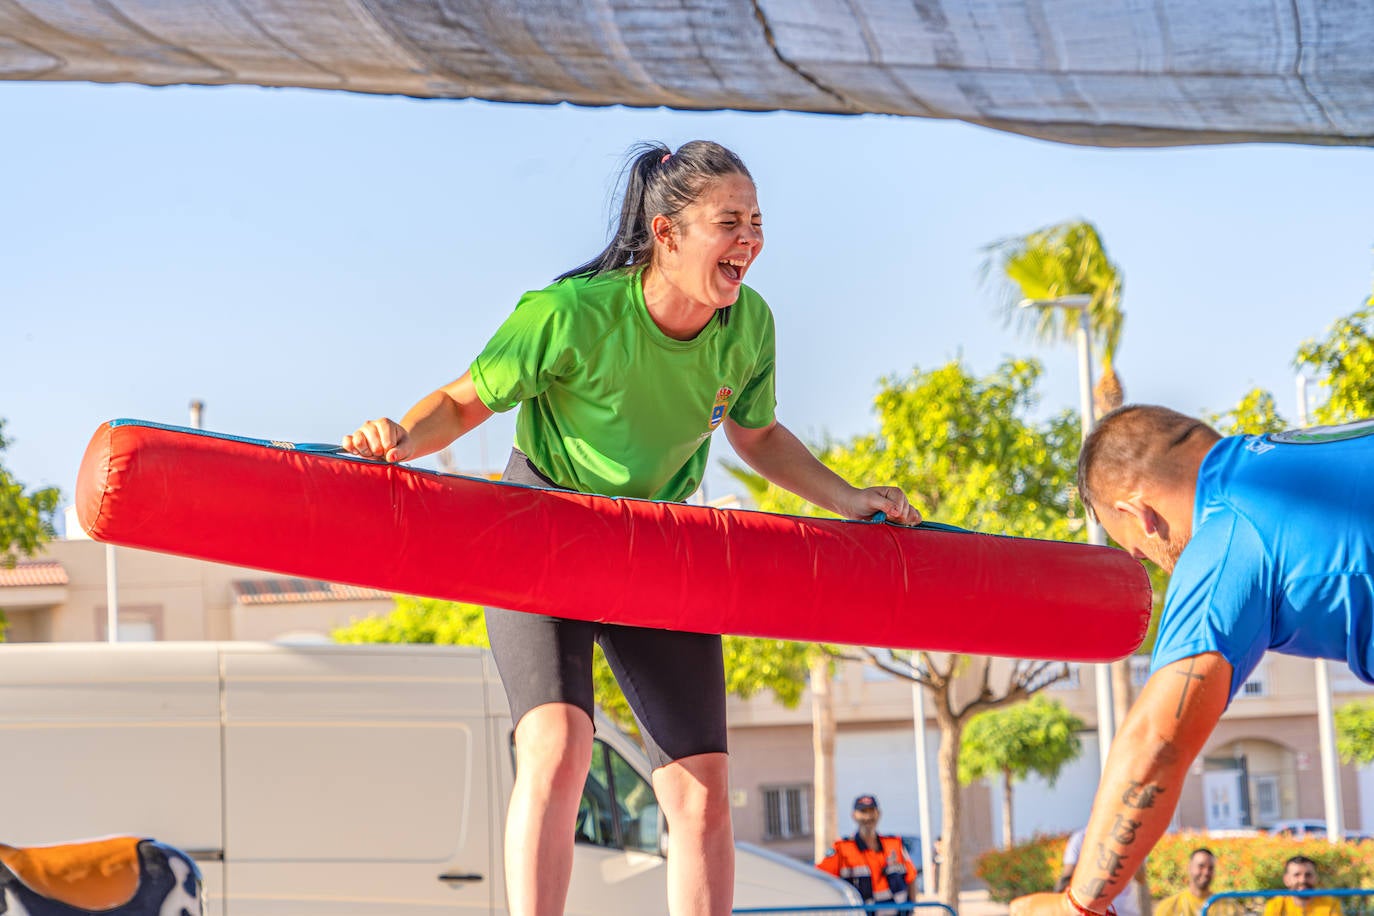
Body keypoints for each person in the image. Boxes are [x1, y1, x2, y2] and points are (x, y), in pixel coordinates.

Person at [342, 140, 920, 916]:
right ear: (668, 233)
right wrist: (400, 440)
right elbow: (463, 401)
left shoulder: (747, 325)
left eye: (757, 221)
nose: (749, 239)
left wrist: (846, 497)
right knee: (558, 746)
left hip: (657, 545)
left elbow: (757, 436)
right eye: (730, 222)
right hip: (541, 530)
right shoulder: (570, 314)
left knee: (702, 792)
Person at [1009, 404, 1374, 916]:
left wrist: (1078, 903)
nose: (1145, 561)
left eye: (1134, 548)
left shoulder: (1227, 532)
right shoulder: (1293, 453)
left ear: (1139, 512)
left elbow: (1157, 743)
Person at [816, 794, 918, 913]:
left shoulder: (894, 844)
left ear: (878, 814)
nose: (868, 816)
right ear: (854, 815)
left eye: (871, 811)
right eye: (863, 811)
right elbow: (820, 878)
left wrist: (912, 909)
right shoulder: (842, 848)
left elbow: (911, 877)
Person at [1055, 827, 1143, 916]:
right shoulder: (1130, 836)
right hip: (1118, 910)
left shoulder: (1080, 838)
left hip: (1097, 910)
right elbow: (1141, 878)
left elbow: (1066, 877)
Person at [1154, 848, 1241, 916]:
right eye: (1201, 866)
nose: (1206, 872)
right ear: (1189, 868)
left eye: (1210, 868)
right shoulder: (1168, 907)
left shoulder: (1229, 907)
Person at [1262, 856, 1344, 916]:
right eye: (1296, 875)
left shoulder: (1330, 904)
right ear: (1286, 880)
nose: (1303, 880)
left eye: (1308, 875)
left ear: (1316, 878)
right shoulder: (1276, 905)